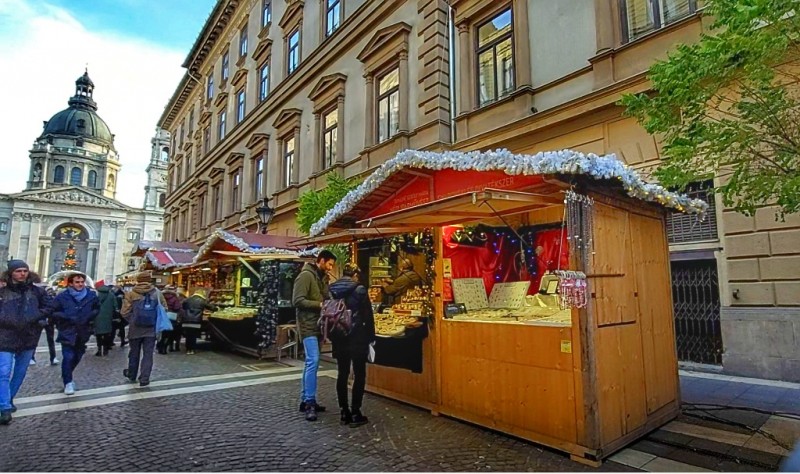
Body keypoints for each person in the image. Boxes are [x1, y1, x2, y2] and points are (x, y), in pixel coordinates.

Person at [0, 260, 52, 425]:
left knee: (20, 372)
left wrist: (36, 317)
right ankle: (5, 407)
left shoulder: (37, 292)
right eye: (18, 271)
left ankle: (8, 399)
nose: (22, 274)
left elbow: (49, 307)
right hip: (5, 335)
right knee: (4, 371)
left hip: (28, 335)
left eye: (25, 271)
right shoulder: (2, 292)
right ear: (11, 273)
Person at [329, 263, 375, 427]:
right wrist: (371, 336)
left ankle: (344, 412)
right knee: (359, 374)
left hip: (339, 336)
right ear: (355, 274)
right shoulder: (360, 289)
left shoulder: (332, 289)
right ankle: (356, 412)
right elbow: (367, 316)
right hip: (357, 337)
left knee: (342, 373)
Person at [292, 249, 336, 422]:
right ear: (322, 260)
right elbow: (297, 300)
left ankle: (306, 399)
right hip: (308, 325)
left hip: (319, 325)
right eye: (330, 264)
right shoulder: (305, 276)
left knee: (311, 362)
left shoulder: (321, 277)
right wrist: (320, 304)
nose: (331, 268)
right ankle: (310, 402)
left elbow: (326, 297)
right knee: (314, 360)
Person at [50, 273, 99, 395]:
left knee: (78, 355)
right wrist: (65, 316)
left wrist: (90, 316)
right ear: (71, 283)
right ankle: (68, 382)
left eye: (82, 282)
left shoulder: (91, 295)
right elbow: (52, 311)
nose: (80, 284)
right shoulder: (62, 297)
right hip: (67, 330)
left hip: (83, 330)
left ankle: (67, 375)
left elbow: (97, 308)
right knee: (68, 357)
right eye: (77, 282)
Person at [121, 272, 167, 387]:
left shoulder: (131, 294)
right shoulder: (157, 293)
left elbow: (124, 312)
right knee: (148, 354)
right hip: (151, 329)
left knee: (133, 353)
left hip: (135, 329)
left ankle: (132, 374)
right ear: (150, 280)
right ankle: (145, 378)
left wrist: (133, 320)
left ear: (138, 280)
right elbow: (164, 309)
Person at [180, 289, 215, 355]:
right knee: (193, 335)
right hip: (196, 321)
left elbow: (183, 306)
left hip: (186, 320)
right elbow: (211, 308)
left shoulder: (187, 299)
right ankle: (192, 349)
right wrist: (216, 308)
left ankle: (188, 349)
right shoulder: (202, 300)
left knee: (188, 335)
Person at [94, 281, 119, 356]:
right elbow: (116, 306)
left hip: (97, 317)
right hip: (108, 317)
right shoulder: (111, 294)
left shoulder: (96, 295)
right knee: (106, 333)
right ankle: (105, 349)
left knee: (98, 334)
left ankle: (99, 350)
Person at [158, 286, 184, 354]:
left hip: (162, 316)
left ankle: (159, 346)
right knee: (169, 334)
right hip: (171, 317)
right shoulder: (175, 298)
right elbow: (177, 308)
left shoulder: (160, 297)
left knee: (162, 333)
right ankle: (164, 348)